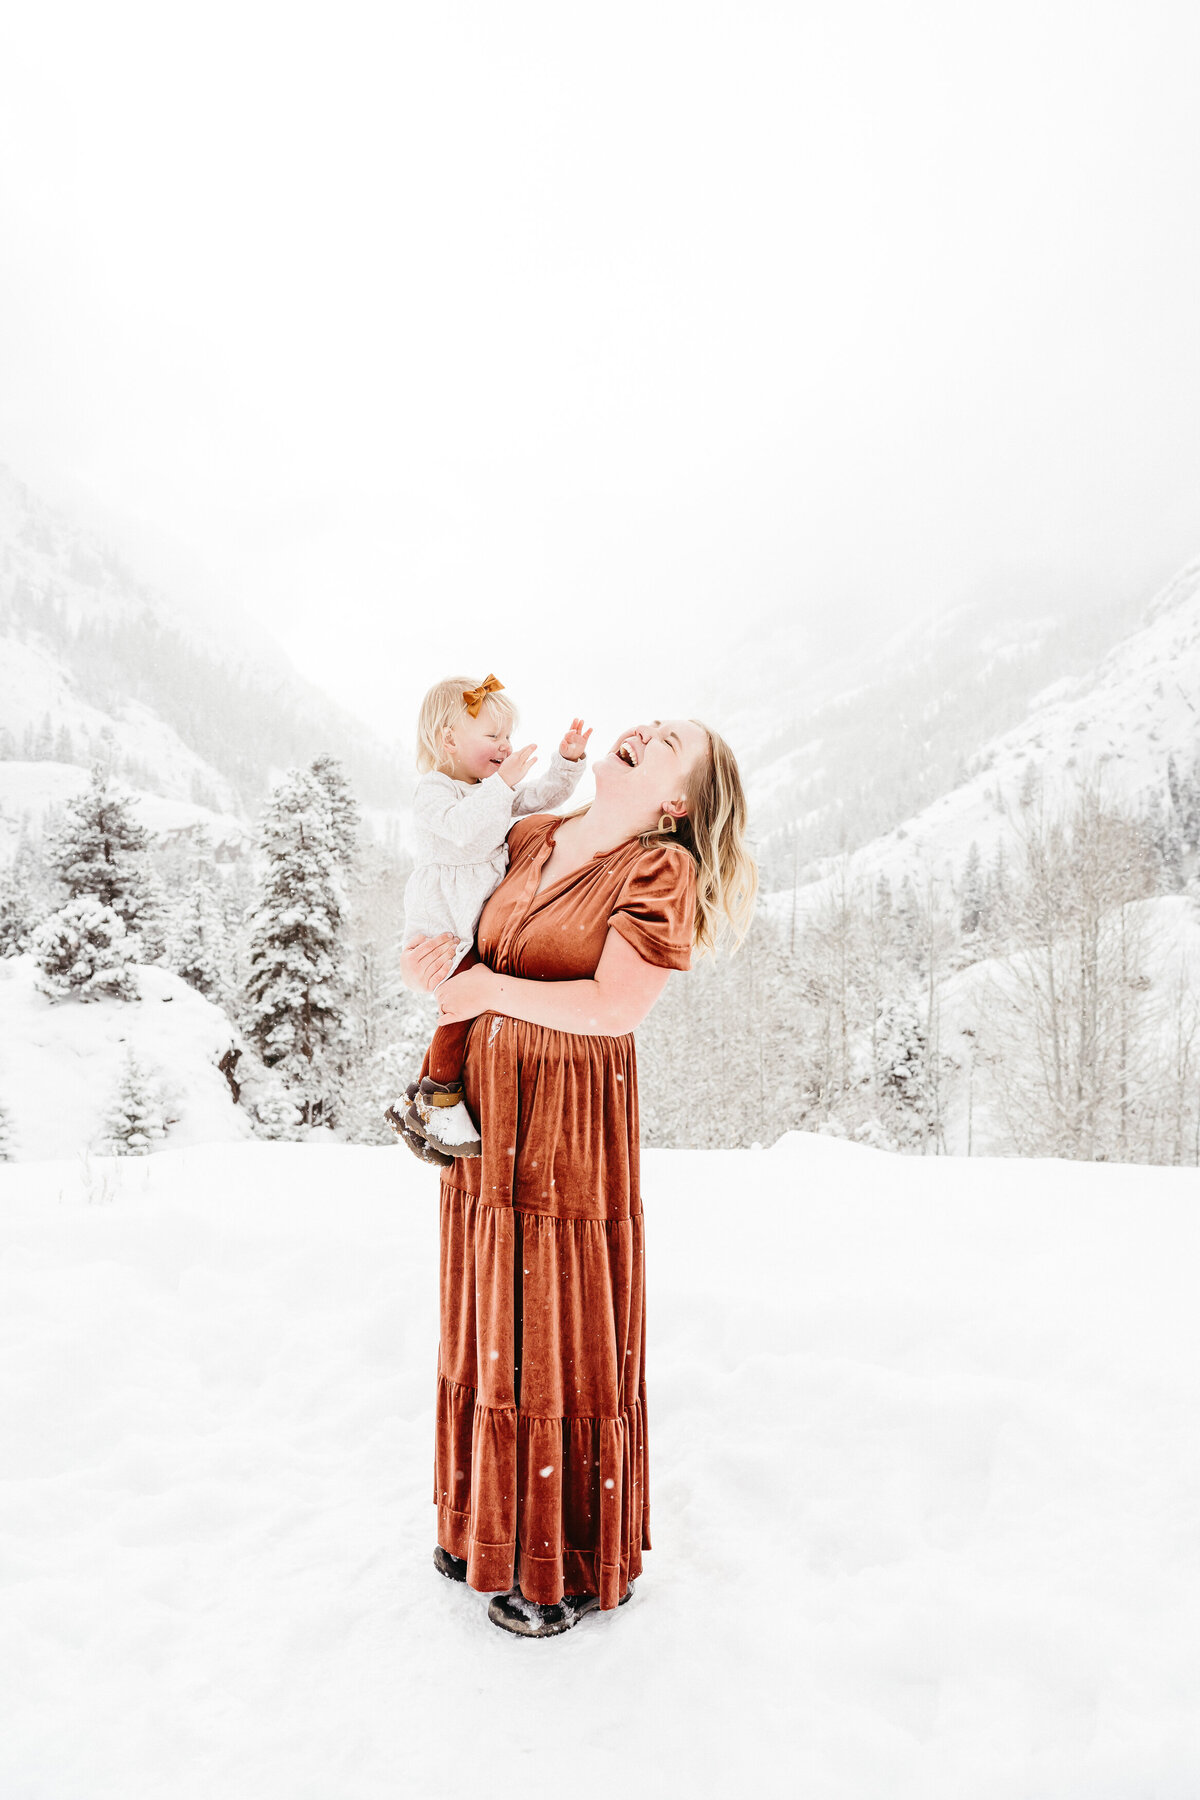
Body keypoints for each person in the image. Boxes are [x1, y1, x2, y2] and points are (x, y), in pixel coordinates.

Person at [400, 714, 757, 1637]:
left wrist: (484, 994)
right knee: (486, 1311)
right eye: (651, 721)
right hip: (489, 1105)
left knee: (554, 1318)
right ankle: (483, 1527)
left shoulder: (657, 869)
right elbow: (459, 931)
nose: (645, 730)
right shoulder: (531, 835)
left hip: (567, 1114)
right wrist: (429, 964)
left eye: (671, 742)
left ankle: (557, 1560)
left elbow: (614, 1006)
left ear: (678, 801)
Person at [387, 672, 591, 1159]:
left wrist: (568, 761)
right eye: (492, 736)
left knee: (468, 1007)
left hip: (471, 921)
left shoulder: (490, 790)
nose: (505, 746)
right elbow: (463, 831)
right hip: (444, 925)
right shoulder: (435, 791)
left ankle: (416, 1104)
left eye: (507, 736)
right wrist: (501, 784)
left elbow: (541, 797)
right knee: (459, 1008)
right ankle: (437, 1098)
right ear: (449, 740)